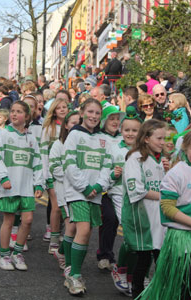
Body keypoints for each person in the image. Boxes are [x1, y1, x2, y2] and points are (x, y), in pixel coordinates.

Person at [137, 128, 191, 300]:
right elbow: (168, 208)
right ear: (185, 149)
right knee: (185, 286)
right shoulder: (176, 173)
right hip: (182, 241)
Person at [63, 98, 110, 295]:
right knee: (82, 229)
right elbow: (69, 164)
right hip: (77, 192)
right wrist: (84, 187)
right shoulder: (74, 135)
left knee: (86, 231)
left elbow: (107, 165)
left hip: (95, 193)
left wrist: (99, 185)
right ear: (82, 113)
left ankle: (73, 269)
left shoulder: (103, 138)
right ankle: (73, 275)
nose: (93, 116)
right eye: (90, 112)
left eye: (97, 113)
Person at [0, 101, 44, 271]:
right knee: (8, 220)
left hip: (26, 187)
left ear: (27, 116)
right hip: (9, 185)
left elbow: (37, 162)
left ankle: (17, 253)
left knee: (28, 220)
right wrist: (3, 178)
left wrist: (39, 183)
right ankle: (4, 255)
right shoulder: (3, 135)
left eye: (19, 112)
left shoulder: (31, 138)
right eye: (12, 111)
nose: (14, 114)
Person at [121, 119, 168, 299]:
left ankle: (158, 293)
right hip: (142, 217)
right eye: (159, 138)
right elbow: (136, 189)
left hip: (158, 217)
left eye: (164, 138)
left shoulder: (160, 161)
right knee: (143, 258)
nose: (163, 142)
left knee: (160, 258)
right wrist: (165, 197)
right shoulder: (135, 158)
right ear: (146, 138)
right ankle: (138, 293)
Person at [108, 106, 142, 296]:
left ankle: (134, 274)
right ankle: (120, 269)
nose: (130, 133)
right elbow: (105, 172)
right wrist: (114, 174)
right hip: (120, 194)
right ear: (121, 131)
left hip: (140, 197)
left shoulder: (144, 150)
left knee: (142, 237)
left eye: (134, 130)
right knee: (130, 235)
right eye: (127, 130)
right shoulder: (114, 149)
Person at [49, 110, 81, 274]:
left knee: (77, 227)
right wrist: (74, 176)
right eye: (73, 123)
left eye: (78, 123)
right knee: (71, 225)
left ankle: (61, 252)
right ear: (66, 125)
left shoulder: (83, 144)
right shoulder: (58, 144)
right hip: (64, 189)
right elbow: (54, 169)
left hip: (80, 190)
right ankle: (68, 263)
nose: (76, 126)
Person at [96, 104, 125, 271]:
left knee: (118, 221)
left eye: (117, 119)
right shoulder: (99, 137)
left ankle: (111, 254)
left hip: (121, 188)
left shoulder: (123, 137)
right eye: (111, 118)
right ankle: (104, 254)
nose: (115, 122)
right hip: (103, 186)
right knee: (109, 218)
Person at [41, 98, 69, 253]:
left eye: (65, 107)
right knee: (56, 207)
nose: (63, 110)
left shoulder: (72, 127)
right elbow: (43, 152)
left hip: (67, 174)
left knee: (65, 206)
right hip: (52, 173)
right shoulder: (49, 128)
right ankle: (53, 239)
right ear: (54, 111)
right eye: (59, 108)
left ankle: (59, 233)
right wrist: (45, 174)